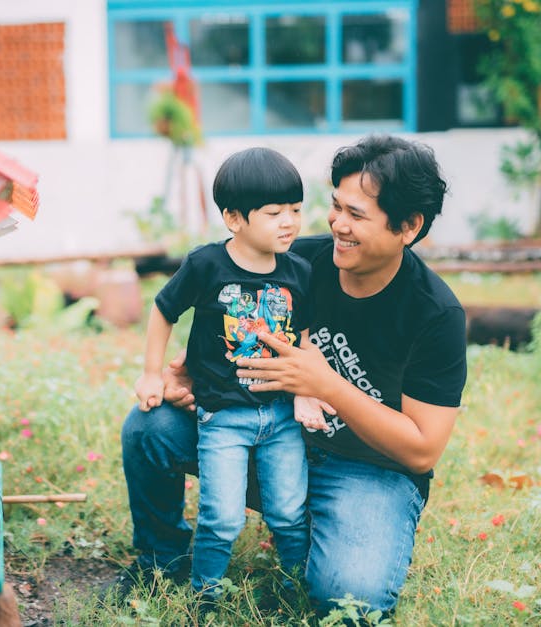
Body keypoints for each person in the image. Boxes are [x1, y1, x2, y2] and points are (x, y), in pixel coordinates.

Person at [119, 134, 467, 617]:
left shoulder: (435, 314)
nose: (338, 225)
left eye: (357, 215)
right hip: (272, 437)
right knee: (150, 428)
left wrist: (326, 385)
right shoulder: (293, 261)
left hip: (368, 473)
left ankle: (326, 528)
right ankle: (162, 559)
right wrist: (195, 372)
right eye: (335, 206)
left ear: (408, 226)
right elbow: (224, 313)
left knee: (353, 601)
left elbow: (422, 448)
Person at [131, 147, 332, 603]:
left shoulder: (299, 271)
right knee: (222, 517)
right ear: (234, 219)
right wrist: (149, 373)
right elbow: (163, 310)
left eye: (297, 211)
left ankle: (295, 589)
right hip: (221, 416)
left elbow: (303, 335)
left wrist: (305, 391)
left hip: (281, 417)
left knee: (287, 513)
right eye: (274, 213)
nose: (290, 223)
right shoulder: (206, 265)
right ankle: (206, 596)